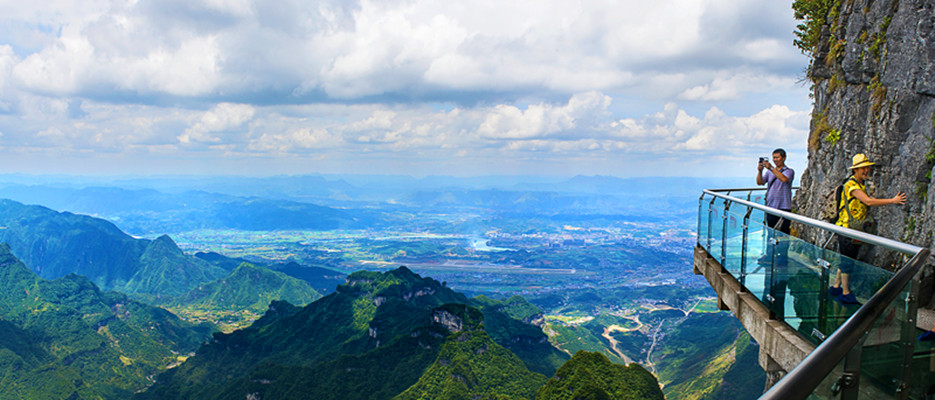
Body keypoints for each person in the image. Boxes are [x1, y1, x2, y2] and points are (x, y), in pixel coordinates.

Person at [830, 153, 907, 304]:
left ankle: (836, 286)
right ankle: (845, 293)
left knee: (846, 257)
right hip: (847, 228)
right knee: (848, 261)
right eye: (862, 168)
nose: (865, 170)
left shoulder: (859, 184)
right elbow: (868, 202)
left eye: (866, 167)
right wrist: (893, 200)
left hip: (850, 228)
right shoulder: (851, 185)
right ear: (855, 170)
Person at [756, 148, 794, 234]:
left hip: (784, 207)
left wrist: (771, 168)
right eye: (774, 158)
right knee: (771, 233)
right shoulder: (769, 172)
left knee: (783, 234)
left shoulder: (789, 171)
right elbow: (760, 182)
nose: (775, 160)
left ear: (783, 158)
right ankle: (770, 248)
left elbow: (783, 179)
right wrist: (760, 171)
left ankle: (782, 248)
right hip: (771, 207)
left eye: (777, 157)